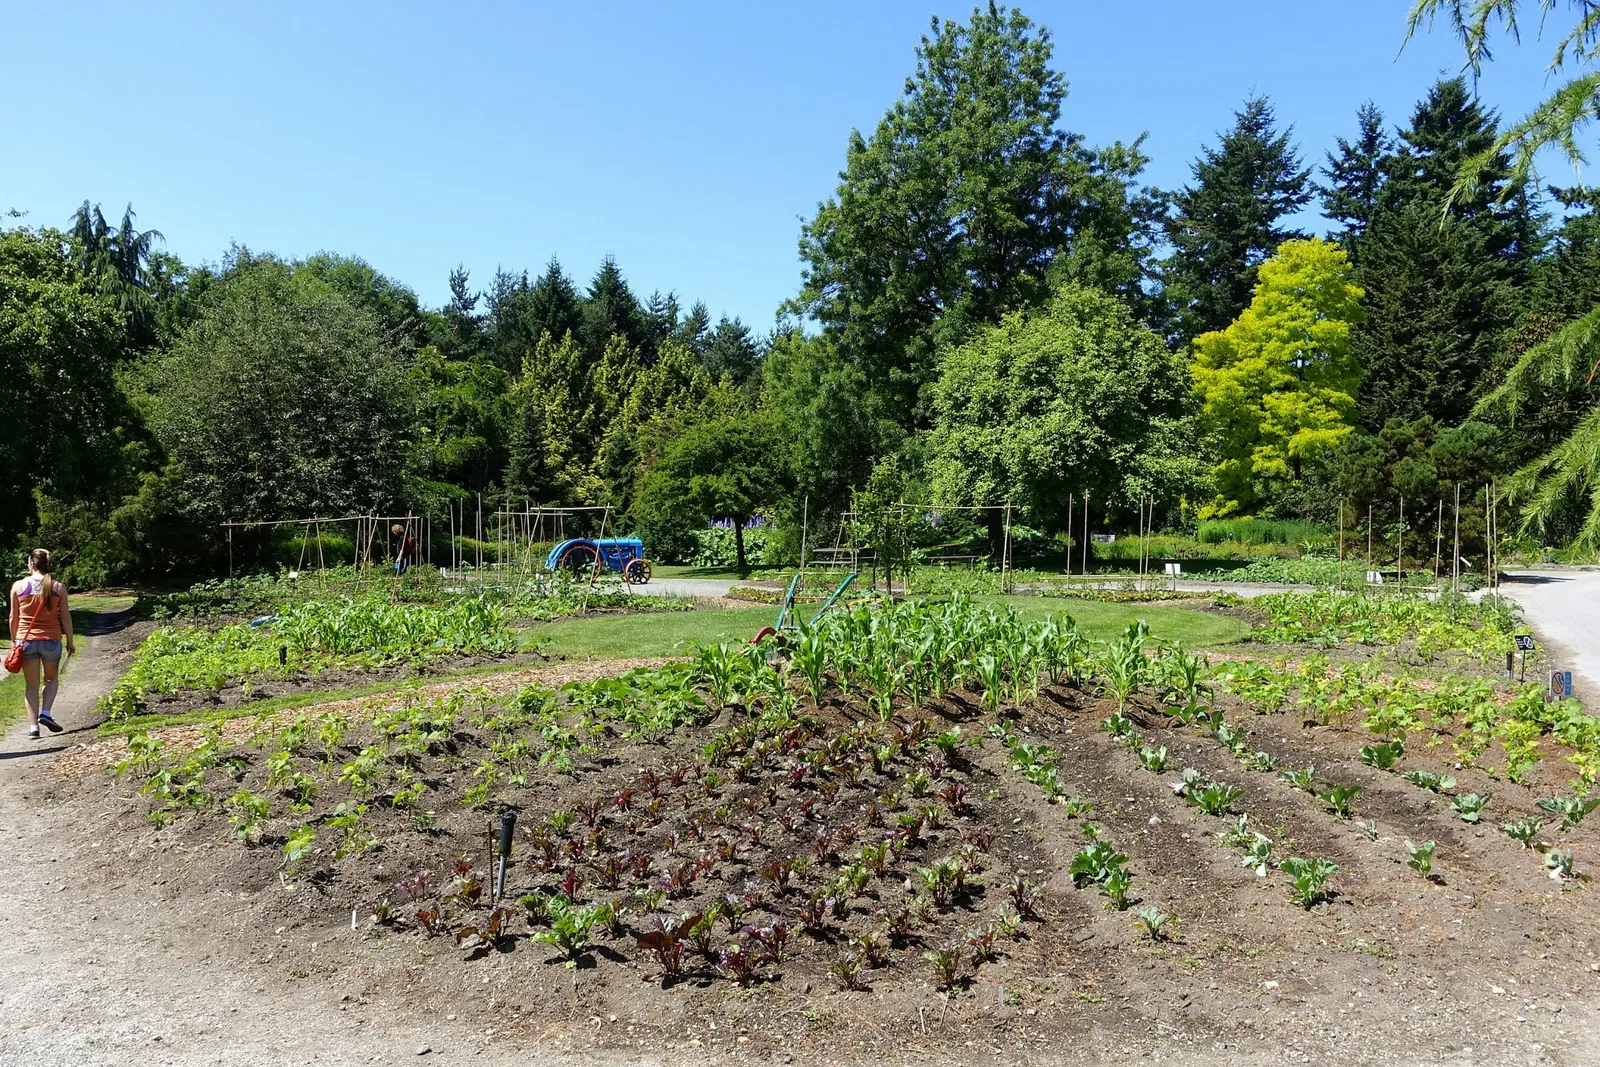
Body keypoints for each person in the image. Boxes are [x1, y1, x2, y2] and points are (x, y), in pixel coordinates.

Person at [9, 548, 74, 739]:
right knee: (51, 679)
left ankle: (33, 728)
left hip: (26, 640)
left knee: (31, 686)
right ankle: (45, 713)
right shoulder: (58, 587)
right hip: (51, 640)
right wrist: (70, 641)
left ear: (30, 563)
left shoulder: (18, 586)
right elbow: (65, 617)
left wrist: (15, 641)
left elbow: (13, 616)